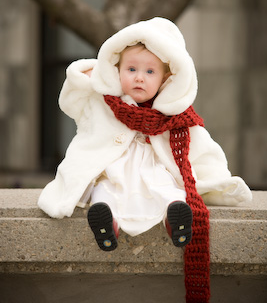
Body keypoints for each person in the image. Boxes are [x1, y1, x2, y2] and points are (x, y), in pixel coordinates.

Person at [38, 17, 252, 253]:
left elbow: (202, 148)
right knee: (103, 191)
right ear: (117, 70)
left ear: (165, 79)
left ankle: (175, 219)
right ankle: (107, 222)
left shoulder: (176, 117)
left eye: (150, 71)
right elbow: (71, 102)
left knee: (170, 191)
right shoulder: (104, 102)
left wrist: (217, 174)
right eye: (131, 69)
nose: (139, 77)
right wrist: (89, 77)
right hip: (113, 170)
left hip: (155, 170)